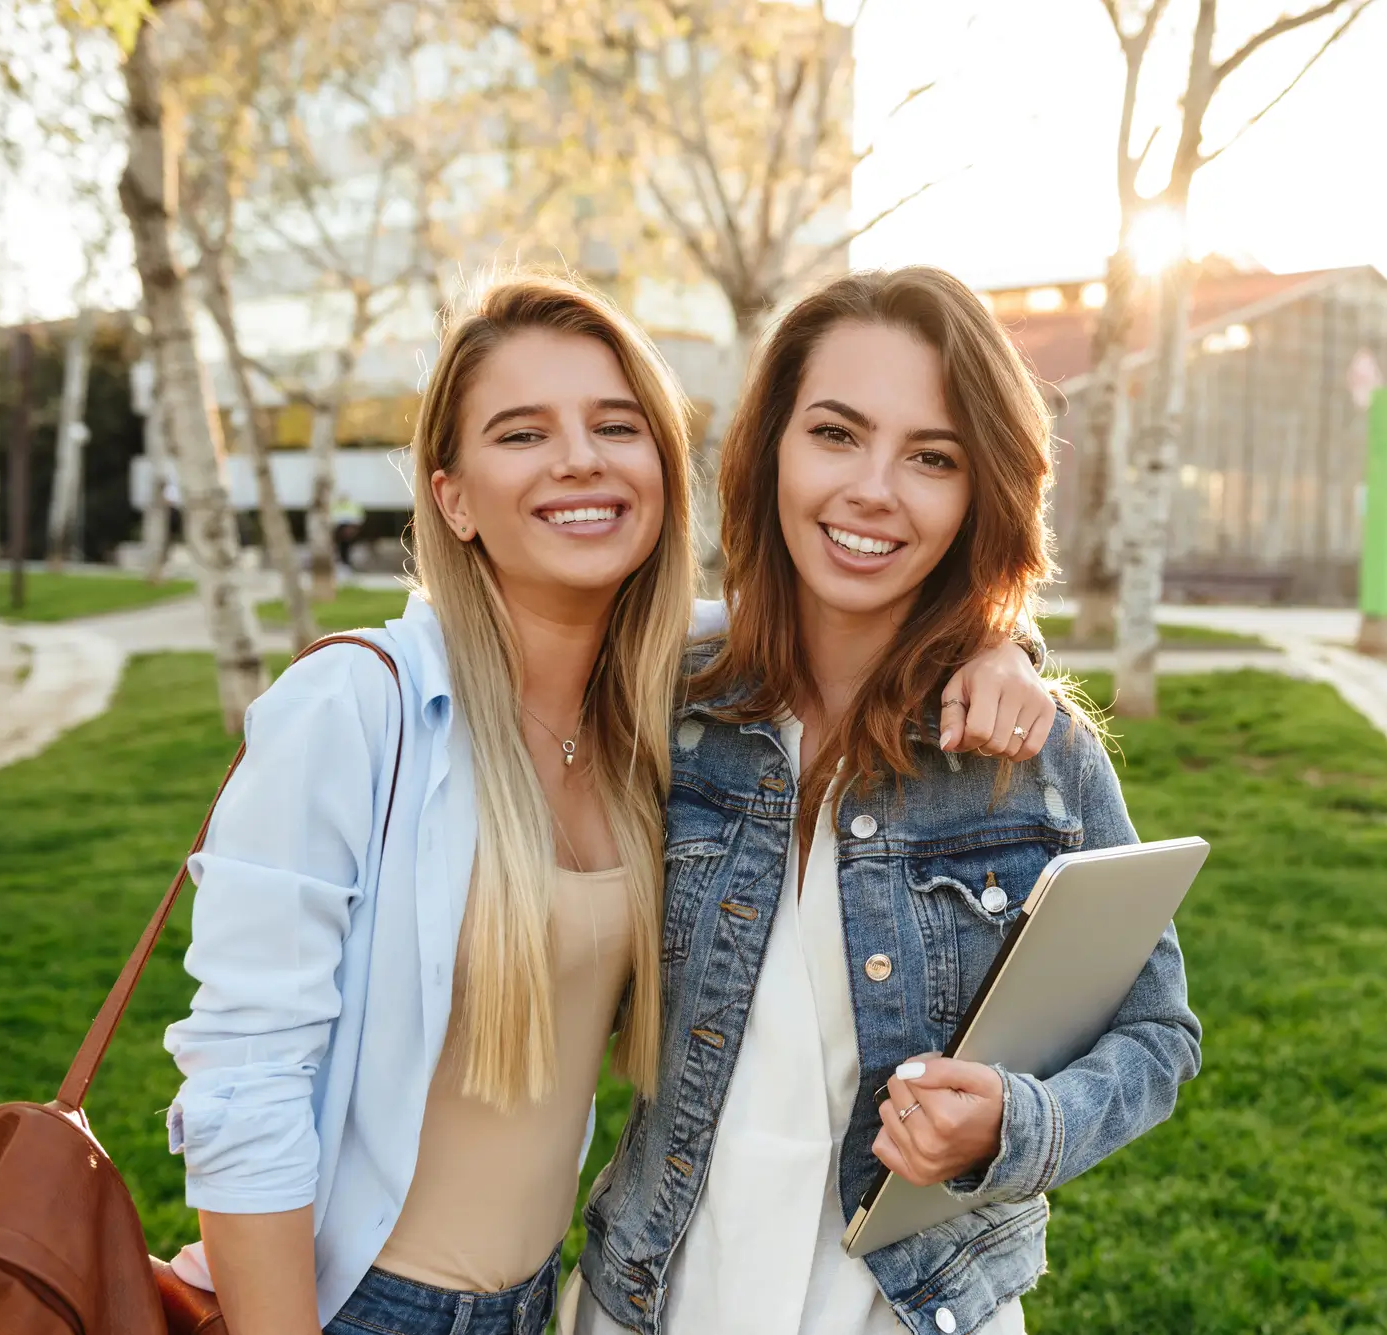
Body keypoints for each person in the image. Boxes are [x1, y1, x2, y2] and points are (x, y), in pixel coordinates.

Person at [160, 273, 1055, 1335]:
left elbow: (860, 627)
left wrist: (998, 645)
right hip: (353, 1305)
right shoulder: (356, 706)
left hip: (544, 1304)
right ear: (451, 496)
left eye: (614, 425)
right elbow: (243, 1083)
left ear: (661, 474)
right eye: (521, 433)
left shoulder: (672, 699)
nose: (578, 459)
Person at [571, 268, 1201, 1335]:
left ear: (977, 494)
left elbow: (1156, 1035)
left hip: (907, 1311)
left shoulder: (1032, 757)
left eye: (931, 457)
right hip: (661, 1297)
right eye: (834, 434)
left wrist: (1018, 1122)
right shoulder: (660, 701)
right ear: (771, 445)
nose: (874, 489)